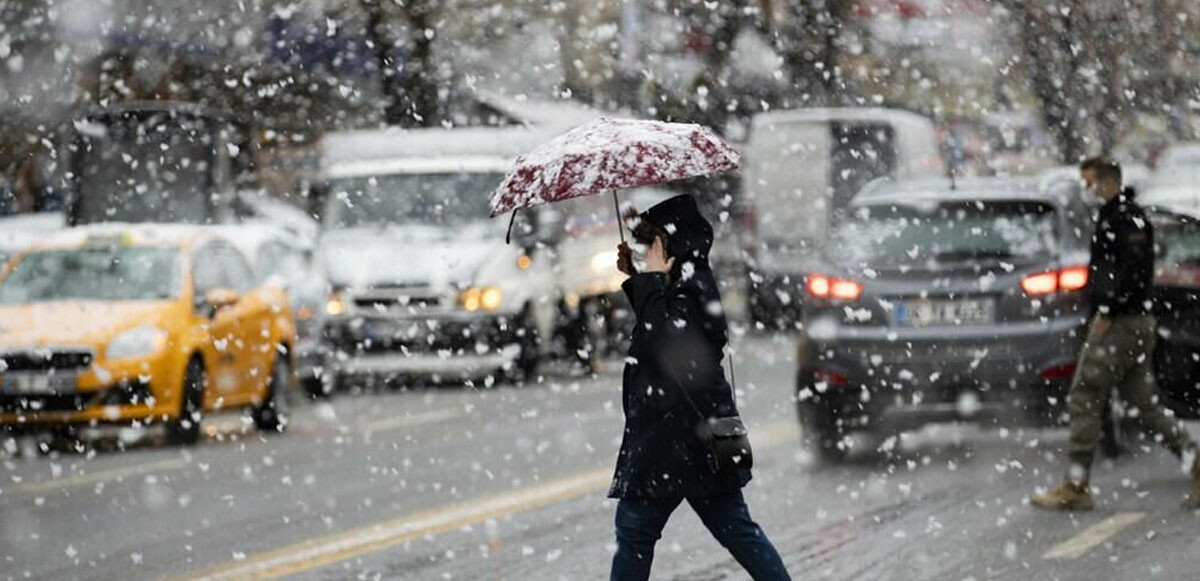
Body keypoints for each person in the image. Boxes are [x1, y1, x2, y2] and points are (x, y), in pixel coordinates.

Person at [609, 194, 789, 580]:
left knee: (636, 533)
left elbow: (664, 342)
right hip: (690, 439)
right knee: (737, 533)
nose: (648, 248)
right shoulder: (689, 279)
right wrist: (640, 278)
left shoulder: (693, 285)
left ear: (670, 242)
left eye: (652, 241)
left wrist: (650, 280)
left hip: (674, 441)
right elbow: (661, 323)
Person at [1030, 158, 1200, 511]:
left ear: (1108, 182)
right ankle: (1195, 461)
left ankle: (1076, 485)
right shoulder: (1116, 215)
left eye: (1090, 183)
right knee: (1142, 404)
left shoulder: (1125, 219)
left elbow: (1132, 272)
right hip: (1131, 322)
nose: (1086, 190)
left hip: (1121, 324)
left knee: (1084, 395)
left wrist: (1108, 309)